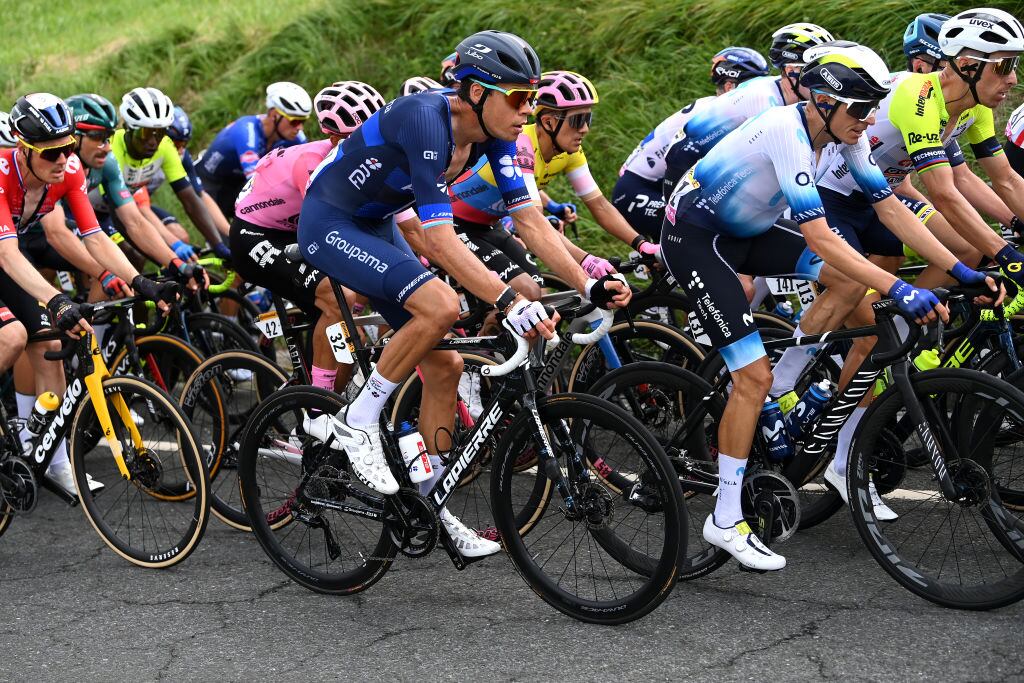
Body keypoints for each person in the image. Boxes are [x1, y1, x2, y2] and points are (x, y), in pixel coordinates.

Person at [658, 44, 995, 571]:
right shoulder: (786, 131)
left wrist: (962, 270)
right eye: (859, 109)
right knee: (751, 377)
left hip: (747, 231)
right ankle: (724, 517)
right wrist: (901, 289)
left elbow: (889, 207)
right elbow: (819, 236)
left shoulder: (842, 135)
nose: (869, 120)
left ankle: (787, 384)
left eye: (872, 108)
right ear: (822, 101)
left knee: (845, 283)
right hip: (698, 239)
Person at [297, 31, 630, 558]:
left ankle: (434, 506)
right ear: (476, 92)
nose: (528, 110)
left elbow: (531, 222)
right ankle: (357, 421)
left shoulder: (496, 138)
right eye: (519, 98)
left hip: (375, 223)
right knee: (442, 305)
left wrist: (587, 281)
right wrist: (509, 301)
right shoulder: (426, 121)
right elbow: (439, 238)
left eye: (533, 98)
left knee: (447, 367)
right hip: (329, 223)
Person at [770, 9, 1024, 498]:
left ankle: (895, 354)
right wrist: (1008, 255)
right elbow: (947, 192)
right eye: (1003, 66)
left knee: (892, 327)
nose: (1011, 79)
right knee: (855, 303)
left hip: (884, 200)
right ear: (967, 65)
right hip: (834, 199)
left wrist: (1014, 228)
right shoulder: (916, 95)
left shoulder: (972, 108)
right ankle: (781, 382)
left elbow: (997, 179)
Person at [2, 93, 175, 496]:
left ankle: (51, 461)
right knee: (11, 337)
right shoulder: (2, 174)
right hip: (4, 253)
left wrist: (139, 281)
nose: (63, 159)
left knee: (49, 345)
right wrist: (57, 298)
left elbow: (94, 237)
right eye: (51, 153)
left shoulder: (69, 171)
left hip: (6, 255)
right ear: (23, 149)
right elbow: (7, 254)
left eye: (68, 146)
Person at [232, 81, 386, 393]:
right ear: (335, 138)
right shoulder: (313, 164)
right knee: (337, 294)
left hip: (293, 231)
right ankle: (317, 406)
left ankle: (330, 406)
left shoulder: (364, 163)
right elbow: (331, 225)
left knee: (347, 328)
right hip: (255, 234)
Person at [614, 46, 769, 240]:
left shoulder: (731, 112)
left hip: (662, 183)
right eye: (753, 86)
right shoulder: (714, 115)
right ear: (730, 87)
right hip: (636, 189)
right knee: (702, 230)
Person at [661, 23, 835, 194]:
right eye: (815, 72)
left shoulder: (784, 95)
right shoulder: (764, 99)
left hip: (716, 165)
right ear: (791, 71)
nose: (823, 81)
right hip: (685, 162)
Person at [63, 94, 202, 292]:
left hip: (85, 216)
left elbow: (134, 220)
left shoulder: (108, 163)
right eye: (98, 138)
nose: (107, 147)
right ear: (74, 138)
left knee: (115, 269)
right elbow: (55, 231)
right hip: (43, 229)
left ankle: (100, 321)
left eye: (108, 138)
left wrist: (176, 263)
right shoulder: (57, 169)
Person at [109, 87, 229, 257]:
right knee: (131, 255)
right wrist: (171, 254)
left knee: (159, 250)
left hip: (126, 207)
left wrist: (219, 245)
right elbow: (129, 216)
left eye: (160, 133)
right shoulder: (112, 151)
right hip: (98, 208)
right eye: (146, 133)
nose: (153, 142)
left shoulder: (165, 146)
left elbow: (190, 199)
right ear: (129, 127)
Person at [198, 82, 311, 221]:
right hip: (211, 183)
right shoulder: (247, 131)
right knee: (227, 240)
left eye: (303, 121)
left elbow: (307, 171)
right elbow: (255, 184)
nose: (300, 128)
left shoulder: (296, 137)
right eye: (295, 122)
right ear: (274, 114)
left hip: (238, 181)